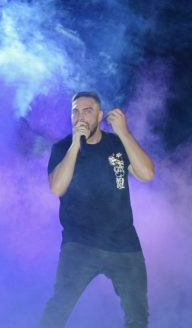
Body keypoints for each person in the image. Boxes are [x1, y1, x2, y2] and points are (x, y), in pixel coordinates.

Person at [40, 91, 156, 328]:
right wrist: (75, 145)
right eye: (75, 111)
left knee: (138, 315)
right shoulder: (63, 148)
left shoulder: (117, 143)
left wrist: (124, 132)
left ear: (100, 116)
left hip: (124, 244)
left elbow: (147, 174)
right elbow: (57, 188)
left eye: (87, 111)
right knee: (58, 308)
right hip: (80, 242)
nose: (80, 117)